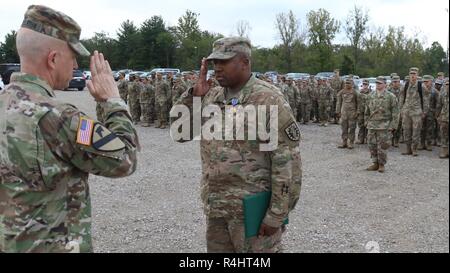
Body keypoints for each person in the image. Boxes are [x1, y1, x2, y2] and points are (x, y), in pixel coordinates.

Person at [0, 5, 139, 253]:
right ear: (53, 59)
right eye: (72, 56)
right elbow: (124, 159)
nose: (75, 64)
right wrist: (112, 102)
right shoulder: (60, 118)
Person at [173, 37, 302, 253]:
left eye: (224, 62)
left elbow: (286, 161)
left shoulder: (267, 99)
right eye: (214, 63)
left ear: (244, 62)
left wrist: (277, 214)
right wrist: (194, 97)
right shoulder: (211, 96)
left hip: (252, 213)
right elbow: (181, 133)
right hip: (217, 209)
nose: (217, 69)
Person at [364, 76, 399, 173]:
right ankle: (375, 163)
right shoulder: (370, 96)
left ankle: (381, 164)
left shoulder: (391, 96)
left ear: (385, 84)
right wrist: (366, 122)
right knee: (371, 145)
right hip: (372, 125)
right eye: (377, 83)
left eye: (380, 83)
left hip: (384, 125)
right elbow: (366, 111)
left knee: (382, 146)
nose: (378, 85)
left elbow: (395, 113)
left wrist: (393, 125)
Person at [399, 67, 424, 156]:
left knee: (416, 131)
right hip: (406, 112)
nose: (413, 75)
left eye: (414, 74)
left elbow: (424, 100)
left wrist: (423, 112)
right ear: (409, 75)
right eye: (411, 74)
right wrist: (401, 110)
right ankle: (408, 149)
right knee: (406, 130)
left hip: (417, 112)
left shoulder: (421, 86)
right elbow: (401, 98)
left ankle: (414, 149)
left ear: (417, 75)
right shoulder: (405, 85)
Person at [336, 78, 360, 149]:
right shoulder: (342, 92)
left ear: (352, 84)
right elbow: (339, 102)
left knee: (352, 128)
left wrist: (358, 112)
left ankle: (351, 142)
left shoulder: (355, 92)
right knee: (344, 128)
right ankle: (344, 142)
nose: (347, 84)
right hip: (344, 113)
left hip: (352, 113)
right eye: (346, 83)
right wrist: (338, 111)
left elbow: (359, 103)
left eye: (349, 83)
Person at [436, 79, 449, 158]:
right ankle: (444, 151)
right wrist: (437, 116)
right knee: (444, 135)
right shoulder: (442, 94)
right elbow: (439, 106)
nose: (448, 86)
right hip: (444, 118)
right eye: (447, 84)